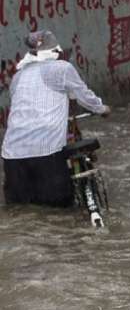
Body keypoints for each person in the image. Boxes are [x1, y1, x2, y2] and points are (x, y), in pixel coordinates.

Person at [2, 30, 110, 207]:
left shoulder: (18, 77)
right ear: (56, 52)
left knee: (20, 212)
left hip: (12, 155)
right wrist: (103, 109)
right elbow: (85, 97)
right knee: (60, 214)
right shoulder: (62, 68)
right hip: (47, 154)